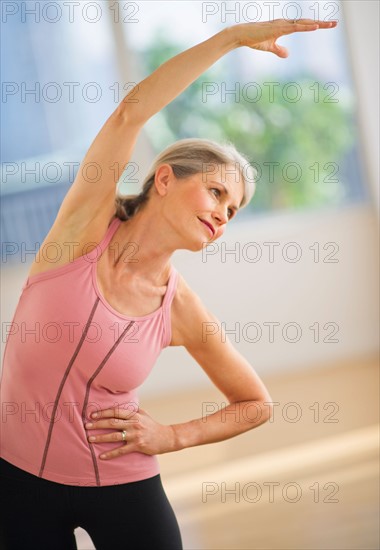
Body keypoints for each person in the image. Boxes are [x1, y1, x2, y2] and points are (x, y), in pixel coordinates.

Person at [0, 18, 338, 550]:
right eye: (216, 192)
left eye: (234, 210)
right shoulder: (81, 232)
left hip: (122, 486)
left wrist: (172, 436)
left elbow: (255, 402)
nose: (224, 214)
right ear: (164, 179)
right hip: (15, 482)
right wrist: (229, 39)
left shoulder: (178, 306)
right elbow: (130, 113)